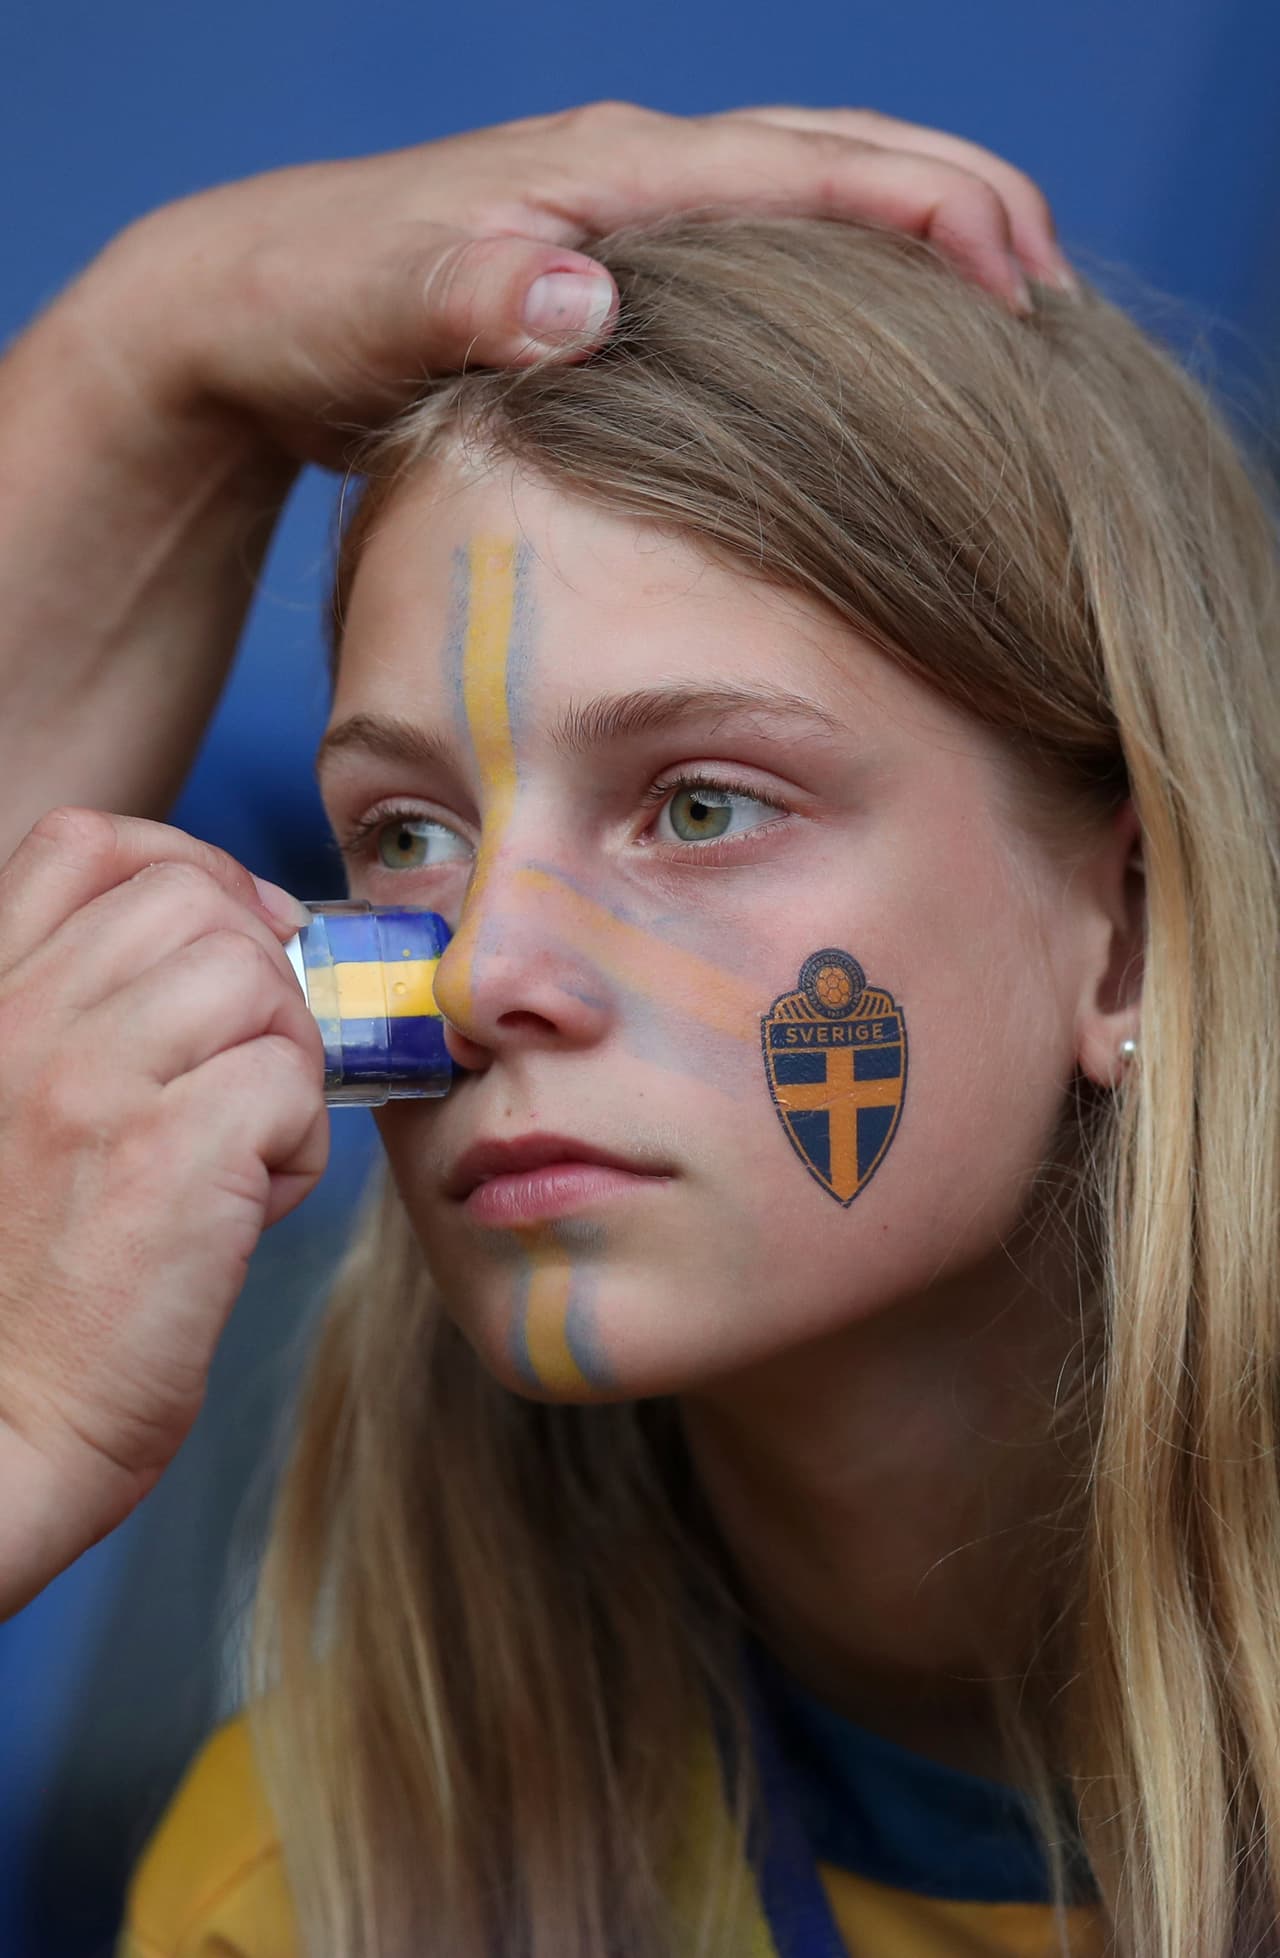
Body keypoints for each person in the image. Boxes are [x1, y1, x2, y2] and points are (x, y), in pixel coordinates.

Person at [19, 106, 1277, 1958]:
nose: (478, 969)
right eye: (410, 836)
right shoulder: (313, 1892)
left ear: (1136, 930)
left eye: (700, 804)